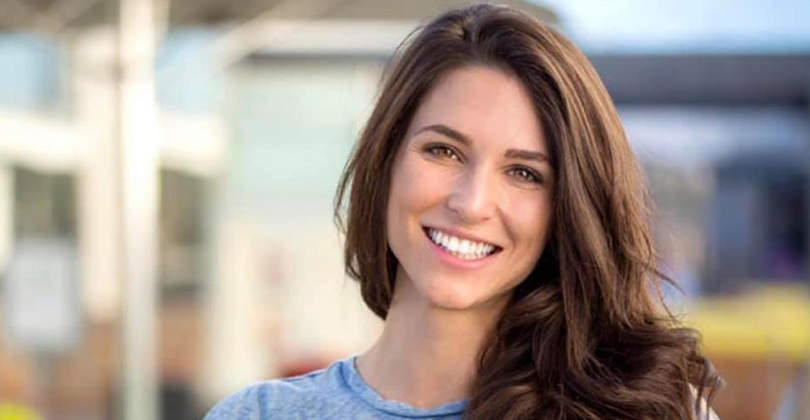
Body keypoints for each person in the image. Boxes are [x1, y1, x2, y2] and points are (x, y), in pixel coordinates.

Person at [203, 3, 723, 420]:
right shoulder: (259, 413)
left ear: (565, 209)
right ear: (385, 158)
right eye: (443, 151)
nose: (471, 203)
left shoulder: (650, 411)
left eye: (524, 173)